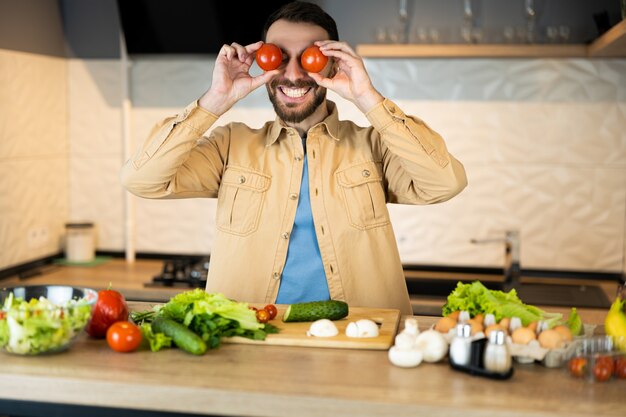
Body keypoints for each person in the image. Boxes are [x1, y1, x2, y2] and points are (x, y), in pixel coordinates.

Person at [120, 1, 467, 315]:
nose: (294, 73)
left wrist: (367, 97)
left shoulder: (373, 146)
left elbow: (444, 183)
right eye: (279, 56)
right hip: (252, 344)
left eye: (309, 57)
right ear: (263, 61)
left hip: (361, 339)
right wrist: (215, 100)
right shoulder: (230, 145)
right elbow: (142, 179)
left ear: (331, 64)